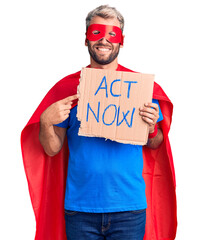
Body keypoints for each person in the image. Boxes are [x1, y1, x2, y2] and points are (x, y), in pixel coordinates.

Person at [21, 5, 177, 240]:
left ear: (121, 41)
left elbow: (154, 144)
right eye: (96, 33)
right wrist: (45, 122)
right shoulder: (67, 89)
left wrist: (153, 127)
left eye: (112, 34)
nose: (104, 40)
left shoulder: (140, 88)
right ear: (86, 39)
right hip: (80, 210)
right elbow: (52, 149)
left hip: (129, 209)